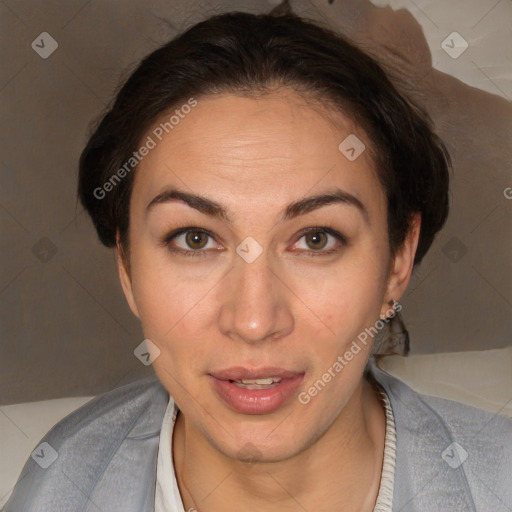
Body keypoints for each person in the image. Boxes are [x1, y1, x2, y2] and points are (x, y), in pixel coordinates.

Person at [4, 8, 512, 512]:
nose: (253, 321)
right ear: (128, 266)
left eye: (316, 239)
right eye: (195, 239)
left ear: (398, 260)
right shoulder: (59, 484)